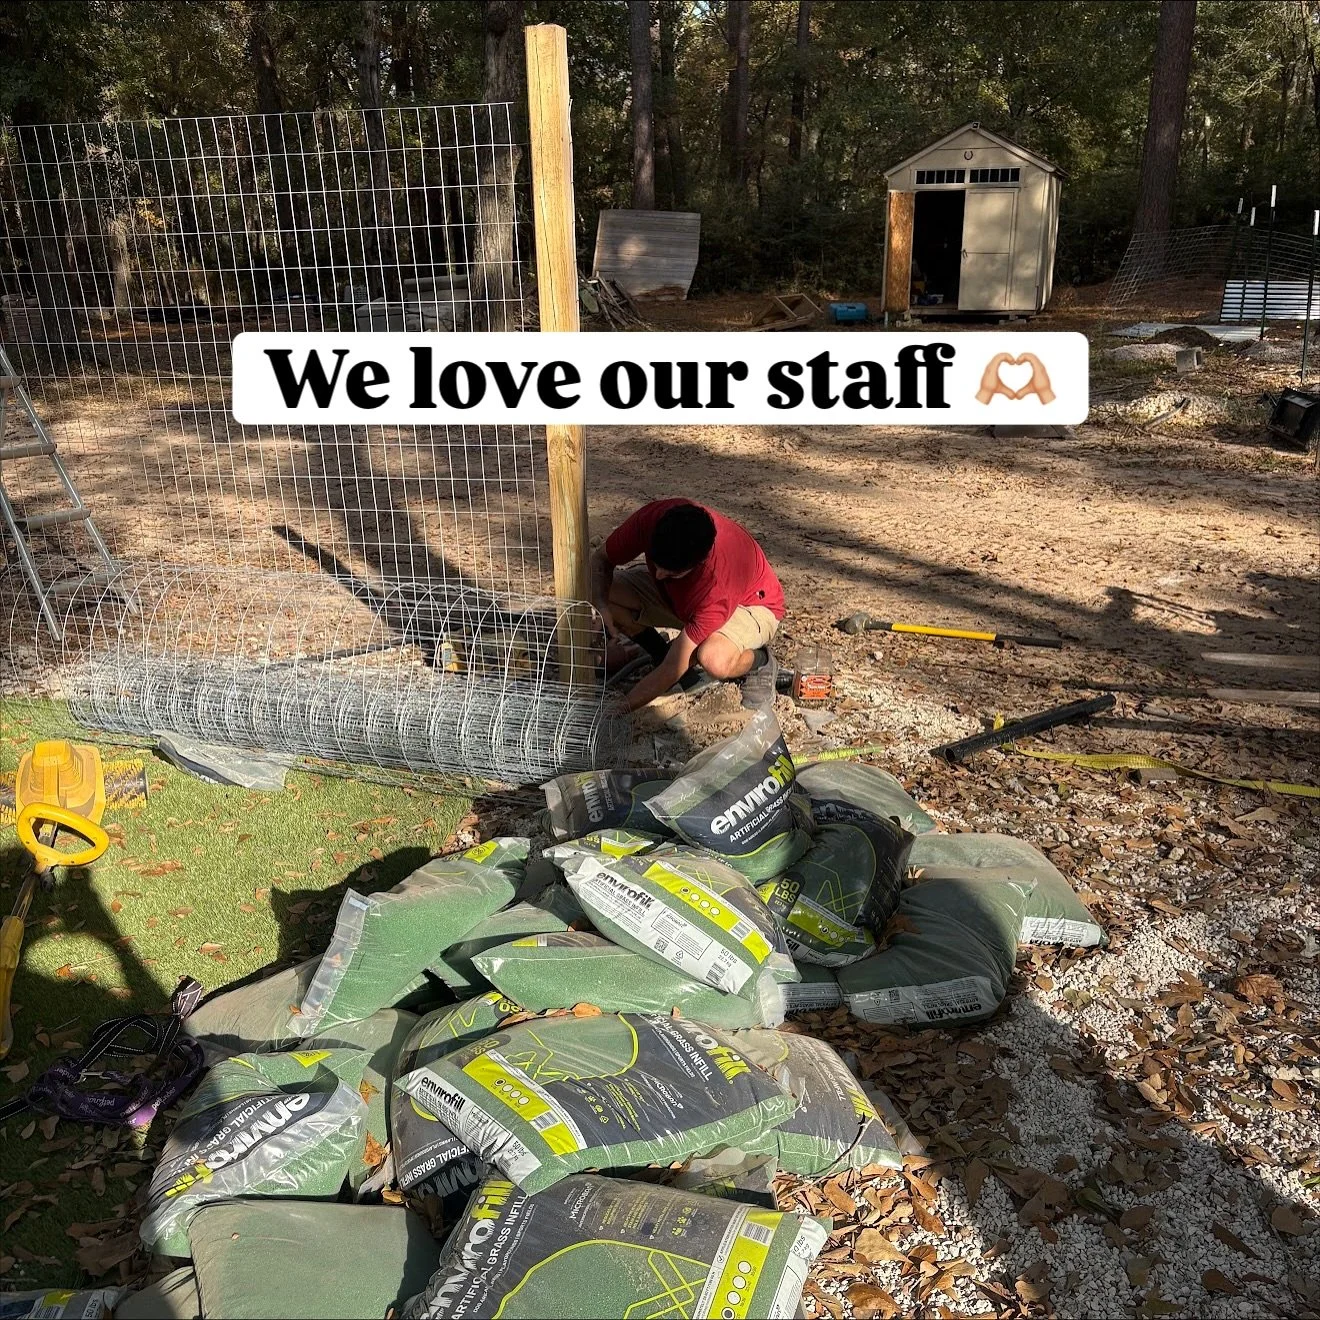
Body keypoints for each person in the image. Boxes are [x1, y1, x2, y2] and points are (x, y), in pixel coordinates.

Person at [591, 499, 784, 713]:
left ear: (697, 563)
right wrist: (601, 606)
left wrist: (618, 709)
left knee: (714, 659)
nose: (658, 574)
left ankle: (761, 662)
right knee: (597, 589)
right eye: (655, 563)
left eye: (670, 572)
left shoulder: (716, 584)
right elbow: (601, 560)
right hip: (681, 598)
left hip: (751, 605)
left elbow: (673, 666)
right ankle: (659, 652)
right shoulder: (653, 518)